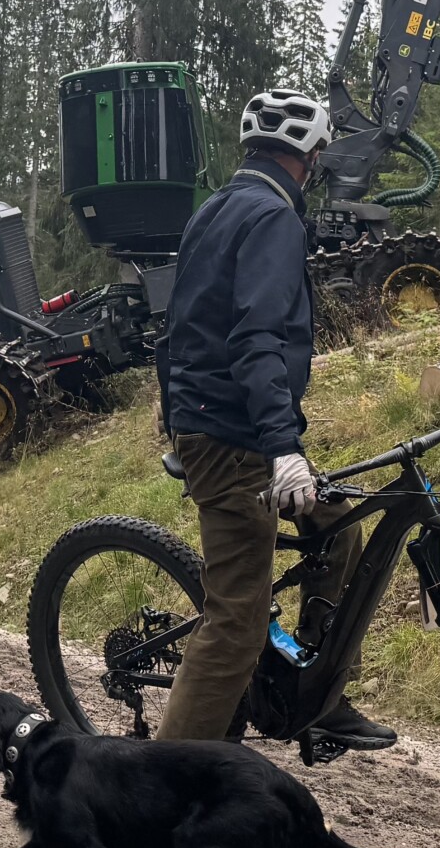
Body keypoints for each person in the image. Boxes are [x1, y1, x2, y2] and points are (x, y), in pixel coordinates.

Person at [153, 89, 394, 752]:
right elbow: (255, 338)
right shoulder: (273, 219)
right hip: (233, 439)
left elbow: (177, 326)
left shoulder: (214, 210)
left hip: (222, 423)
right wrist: (284, 448)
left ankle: (315, 689)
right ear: (309, 159)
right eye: (318, 157)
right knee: (236, 622)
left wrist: (180, 410)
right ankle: (162, 782)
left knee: (338, 525)